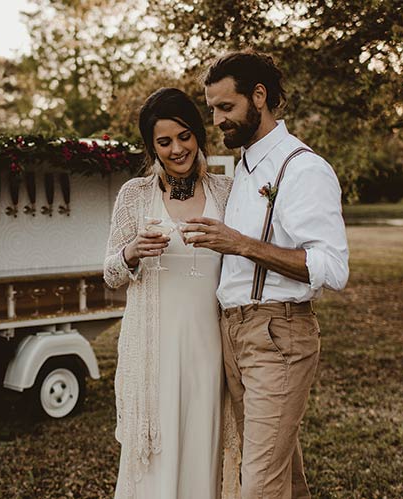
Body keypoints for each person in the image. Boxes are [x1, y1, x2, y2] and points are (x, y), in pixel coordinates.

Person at [184, 51, 350, 499]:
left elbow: (332, 268)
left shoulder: (303, 168)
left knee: (257, 484)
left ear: (259, 96)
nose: (216, 120)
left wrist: (239, 243)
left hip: (277, 334)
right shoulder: (244, 169)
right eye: (212, 108)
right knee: (280, 477)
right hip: (235, 335)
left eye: (225, 107)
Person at [104, 87, 240, 499]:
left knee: (203, 452)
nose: (177, 149)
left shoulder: (227, 192)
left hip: (209, 351)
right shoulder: (135, 195)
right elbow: (110, 274)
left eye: (184, 136)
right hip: (153, 353)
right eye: (164, 142)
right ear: (152, 147)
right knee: (154, 463)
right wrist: (130, 253)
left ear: (198, 135)